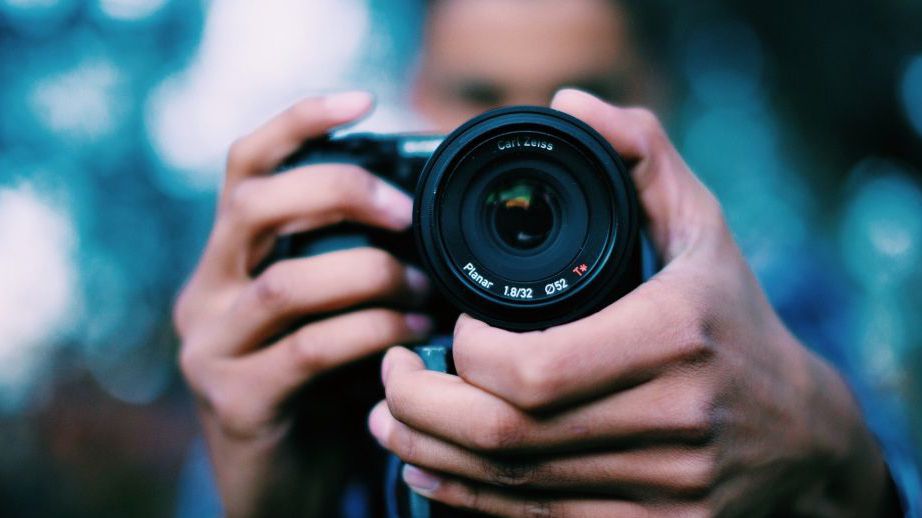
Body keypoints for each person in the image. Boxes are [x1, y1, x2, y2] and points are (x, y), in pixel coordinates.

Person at [173, 0, 910, 516]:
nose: (527, 142)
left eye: (584, 95)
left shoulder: (766, 309)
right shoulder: (331, 321)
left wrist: (838, 467)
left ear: (663, 95)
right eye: (479, 97)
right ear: (414, 94)